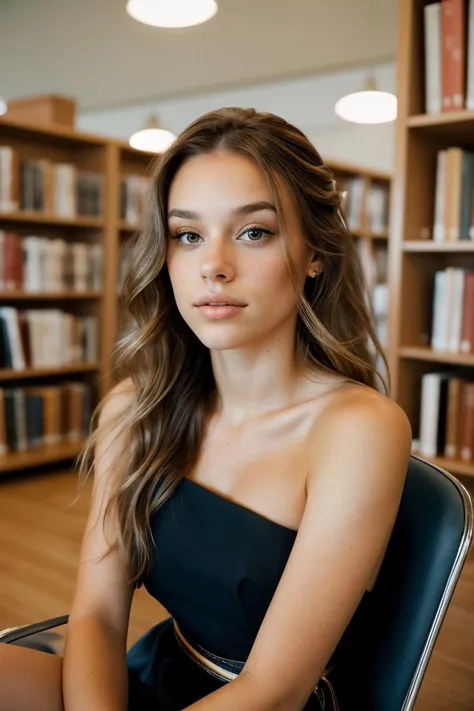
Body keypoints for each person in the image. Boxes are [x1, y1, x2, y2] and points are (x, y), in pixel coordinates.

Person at [0, 107, 411, 711]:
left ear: (315, 252)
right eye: (187, 235)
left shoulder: (360, 429)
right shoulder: (136, 407)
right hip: (151, 674)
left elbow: (275, 690)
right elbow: (97, 615)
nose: (213, 266)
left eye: (254, 232)